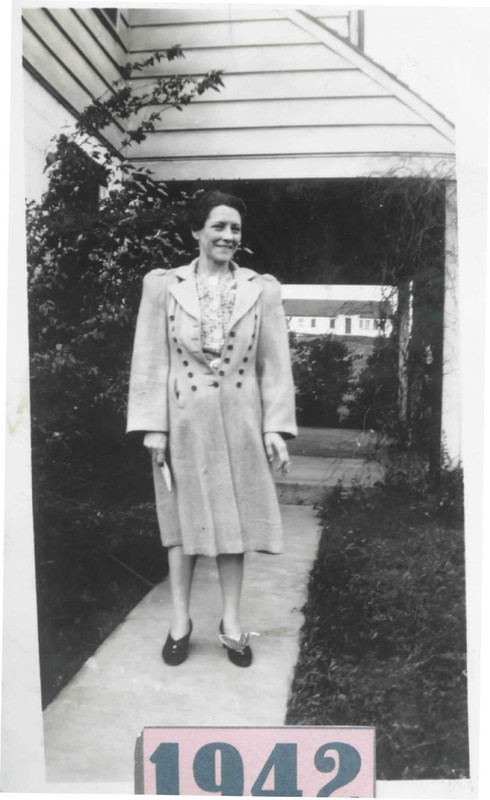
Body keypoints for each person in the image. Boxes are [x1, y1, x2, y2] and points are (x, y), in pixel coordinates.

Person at [127, 190, 297, 668]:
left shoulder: (261, 289)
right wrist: (152, 427)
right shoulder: (164, 285)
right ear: (196, 232)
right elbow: (149, 359)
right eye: (218, 226)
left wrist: (274, 428)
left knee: (233, 525)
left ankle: (231, 622)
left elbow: (275, 365)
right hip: (182, 422)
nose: (227, 236)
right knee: (182, 524)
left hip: (240, 420)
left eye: (235, 229)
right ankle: (180, 621)